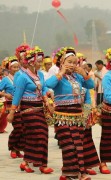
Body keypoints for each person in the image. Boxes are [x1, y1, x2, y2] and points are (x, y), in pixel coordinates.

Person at [46, 47, 94, 180]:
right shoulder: (58, 76)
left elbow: (91, 85)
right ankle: (79, 173)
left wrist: (83, 72)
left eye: (74, 62)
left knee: (78, 145)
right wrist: (61, 72)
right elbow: (48, 84)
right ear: (61, 62)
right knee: (69, 145)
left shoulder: (77, 76)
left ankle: (69, 174)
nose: (72, 65)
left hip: (77, 116)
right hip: (62, 116)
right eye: (69, 62)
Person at [7, 46, 54, 174]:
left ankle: (27, 162)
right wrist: (12, 112)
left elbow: (43, 89)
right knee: (39, 134)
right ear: (32, 62)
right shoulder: (22, 77)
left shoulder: (41, 75)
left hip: (39, 108)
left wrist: (47, 100)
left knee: (40, 135)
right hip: (28, 109)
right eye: (39, 61)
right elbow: (17, 95)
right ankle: (41, 165)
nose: (40, 64)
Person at [0, 56, 24, 157]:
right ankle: (13, 148)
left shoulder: (22, 77)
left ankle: (17, 149)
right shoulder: (5, 79)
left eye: (18, 67)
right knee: (18, 127)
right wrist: (5, 95)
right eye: (14, 67)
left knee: (23, 128)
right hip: (11, 106)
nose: (16, 69)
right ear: (9, 68)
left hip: (22, 105)